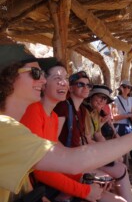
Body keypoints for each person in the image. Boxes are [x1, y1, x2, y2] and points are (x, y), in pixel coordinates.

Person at [0, 44, 132, 202]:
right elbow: (69, 161)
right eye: (35, 73)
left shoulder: (18, 124)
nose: (42, 79)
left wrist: (85, 177)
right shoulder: (5, 128)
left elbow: (28, 184)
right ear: (9, 77)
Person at [21, 60, 124, 202]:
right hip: (34, 190)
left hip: (55, 179)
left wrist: (82, 178)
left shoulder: (54, 116)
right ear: (44, 82)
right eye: (57, 78)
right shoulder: (34, 112)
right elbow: (40, 171)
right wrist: (84, 190)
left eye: (65, 79)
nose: (64, 83)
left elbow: (54, 162)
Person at [54, 71, 132, 202]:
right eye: (80, 84)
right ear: (71, 87)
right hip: (72, 161)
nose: (85, 88)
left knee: (119, 168)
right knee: (118, 170)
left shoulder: (81, 111)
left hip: (80, 157)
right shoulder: (64, 107)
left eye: (88, 85)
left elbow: (92, 137)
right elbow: (53, 141)